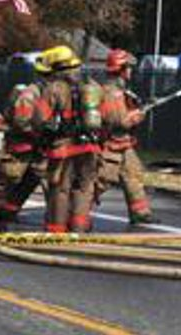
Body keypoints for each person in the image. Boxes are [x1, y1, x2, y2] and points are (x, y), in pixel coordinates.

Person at [40, 45, 103, 233]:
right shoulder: (92, 86)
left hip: (63, 148)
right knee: (84, 188)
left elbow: (40, 118)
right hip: (89, 146)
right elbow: (104, 116)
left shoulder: (53, 89)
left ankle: (57, 229)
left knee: (60, 189)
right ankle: (79, 226)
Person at [96, 48, 156, 225]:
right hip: (110, 144)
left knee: (133, 174)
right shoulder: (111, 93)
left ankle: (140, 213)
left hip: (123, 143)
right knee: (102, 179)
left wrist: (139, 108)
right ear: (121, 69)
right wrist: (139, 114)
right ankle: (76, 210)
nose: (130, 71)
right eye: (128, 67)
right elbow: (120, 122)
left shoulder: (120, 91)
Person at [0, 51, 53, 224]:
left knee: (35, 179)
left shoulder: (48, 94)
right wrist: (39, 134)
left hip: (39, 147)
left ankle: (9, 212)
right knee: (8, 179)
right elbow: (21, 122)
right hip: (21, 146)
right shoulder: (29, 94)